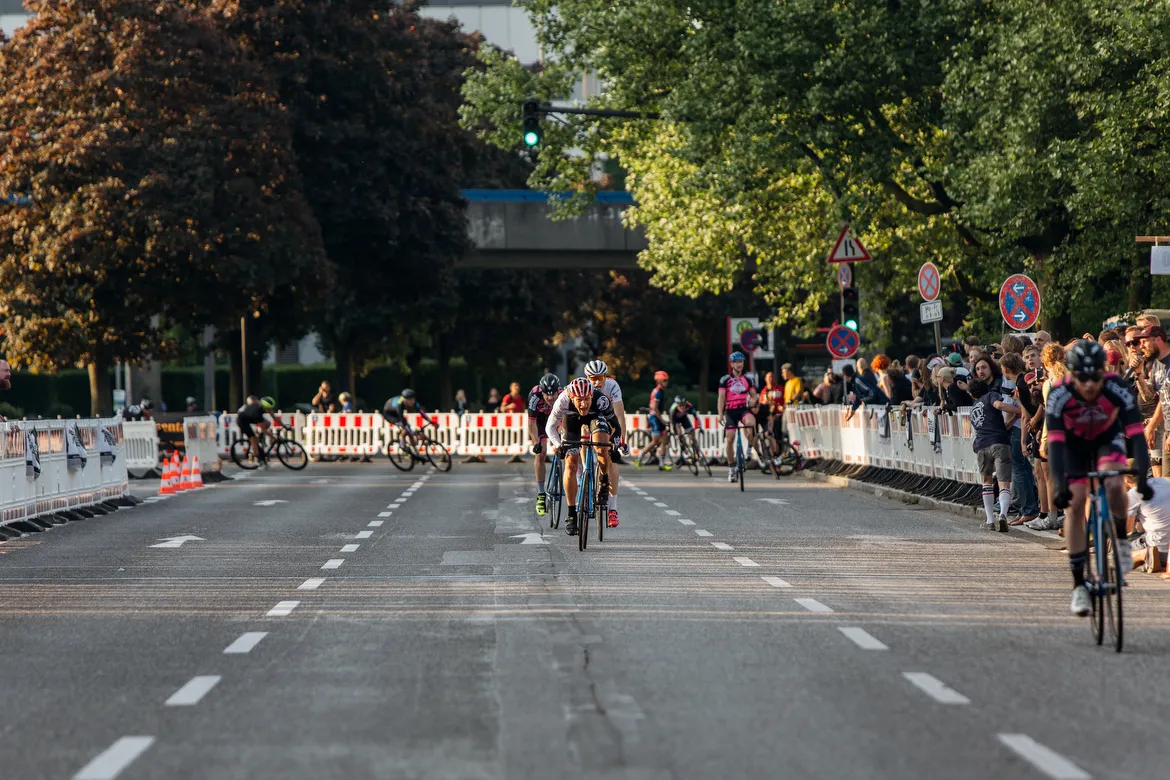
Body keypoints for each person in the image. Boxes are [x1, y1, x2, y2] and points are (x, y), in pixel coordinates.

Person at [1046, 340, 1151, 617]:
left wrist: (1142, 476)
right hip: (1073, 447)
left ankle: (1121, 539)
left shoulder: (1117, 387)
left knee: (1115, 483)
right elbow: (1055, 445)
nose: (1090, 384)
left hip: (1106, 440)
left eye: (1096, 376)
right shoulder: (1059, 394)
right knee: (1076, 501)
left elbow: (1138, 436)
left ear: (1104, 372)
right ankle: (1079, 584)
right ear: (1072, 374)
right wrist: (1058, 485)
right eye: (1083, 377)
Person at [546, 377, 618, 536]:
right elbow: (550, 427)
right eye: (579, 400)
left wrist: (615, 446)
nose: (584, 404)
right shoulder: (563, 401)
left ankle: (604, 480)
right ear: (572, 397)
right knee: (571, 463)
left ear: (592, 396)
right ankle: (571, 514)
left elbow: (616, 425)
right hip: (571, 419)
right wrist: (558, 446)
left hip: (595, 417)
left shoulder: (600, 400)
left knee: (602, 449)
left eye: (587, 399)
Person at [968, 378, 1016, 532]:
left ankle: (989, 520)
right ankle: (1002, 514)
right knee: (1004, 482)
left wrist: (1014, 419)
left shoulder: (974, 408)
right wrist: (1020, 412)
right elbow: (999, 405)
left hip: (982, 445)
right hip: (999, 443)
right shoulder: (991, 396)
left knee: (986, 481)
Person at [584, 360, 627, 527]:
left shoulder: (612, 386)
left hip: (607, 419)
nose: (597, 382)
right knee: (582, 435)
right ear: (587, 378)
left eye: (600, 377)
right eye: (593, 378)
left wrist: (621, 440)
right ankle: (584, 473)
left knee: (611, 458)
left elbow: (619, 416)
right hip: (587, 418)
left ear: (605, 376)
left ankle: (613, 509)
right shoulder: (582, 387)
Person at [1000, 353, 1038, 524]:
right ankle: (1029, 508)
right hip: (1029, 429)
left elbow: (1024, 414)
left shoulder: (1020, 384)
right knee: (1025, 470)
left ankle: (1028, 509)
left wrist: (1023, 440)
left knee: (1019, 470)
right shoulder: (1023, 380)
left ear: (1006, 369)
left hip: (1021, 430)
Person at [718, 351, 759, 481]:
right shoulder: (725, 380)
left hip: (743, 410)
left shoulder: (747, 379)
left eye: (741, 361)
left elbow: (754, 395)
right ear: (732, 364)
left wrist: (753, 400)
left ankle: (750, 447)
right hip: (730, 411)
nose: (739, 364)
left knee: (750, 422)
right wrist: (720, 414)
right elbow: (721, 398)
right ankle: (731, 468)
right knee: (730, 438)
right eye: (736, 362)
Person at [528, 374, 562, 517]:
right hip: (541, 422)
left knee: (567, 449)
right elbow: (531, 423)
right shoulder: (534, 396)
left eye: (553, 394)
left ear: (557, 391)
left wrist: (561, 439)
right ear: (541, 392)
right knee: (540, 454)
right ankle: (541, 494)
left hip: (558, 421)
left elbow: (566, 420)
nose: (550, 398)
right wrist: (536, 443)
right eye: (547, 395)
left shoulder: (563, 395)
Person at [1124, 466, 1170, 573]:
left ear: (1126, 478)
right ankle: (1149, 559)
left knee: (1118, 555)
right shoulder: (1163, 482)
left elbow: (1126, 529)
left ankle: (1144, 554)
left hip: (1159, 547)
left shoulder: (1133, 494)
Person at [646, 370, 673, 471]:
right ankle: (640, 457)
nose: (667, 382)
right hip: (655, 418)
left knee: (665, 440)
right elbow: (655, 408)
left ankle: (661, 464)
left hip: (656, 417)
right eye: (665, 380)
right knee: (655, 441)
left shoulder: (659, 390)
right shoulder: (658, 392)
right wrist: (662, 420)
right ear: (660, 381)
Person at [237, 396, 275, 465]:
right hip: (242, 421)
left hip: (249, 418)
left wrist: (283, 425)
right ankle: (258, 458)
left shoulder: (263, 407)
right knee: (253, 438)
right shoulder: (257, 413)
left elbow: (274, 417)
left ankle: (259, 437)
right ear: (264, 407)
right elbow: (263, 430)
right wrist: (273, 437)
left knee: (268, 423)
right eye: (268, 409)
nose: (269, 410)